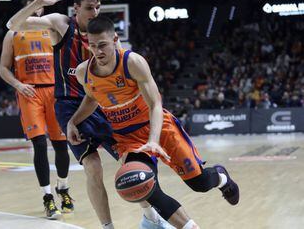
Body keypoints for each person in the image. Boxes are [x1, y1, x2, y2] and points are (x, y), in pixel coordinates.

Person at [7, 0, 171, 229]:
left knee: (132, 162)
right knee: (93, 166)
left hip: (100, 105)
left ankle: (151, 216)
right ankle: (107, 226)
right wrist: (40, 2)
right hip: (69, 106)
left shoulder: (104, 36)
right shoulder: (61, 24)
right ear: (76, 9)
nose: (94, 12)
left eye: (97, 7)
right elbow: (13, 25)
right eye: (89, 8)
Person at [66, 16, 240, 228]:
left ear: (114, 40)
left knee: (200, 183)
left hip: (160, 128)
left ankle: (221, 176)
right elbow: (93, 98)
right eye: (92, 46)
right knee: (144, 187)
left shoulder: (133, 63)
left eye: (102, 45)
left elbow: (155, 104)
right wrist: (73, 121)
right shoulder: (84, 72)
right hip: (128, 138)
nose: (98, 51)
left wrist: (154, 140)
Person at [0, 0, 73, 220]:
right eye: (33, 7)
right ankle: (48, 197)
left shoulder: (52, 29)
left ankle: (63, 188)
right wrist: (18, 84)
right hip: (29, 92)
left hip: (55, 91)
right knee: (39, 145)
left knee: (61, 146)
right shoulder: (12, 34)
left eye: (40, 7)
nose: (36, 11)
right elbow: (3, 68)